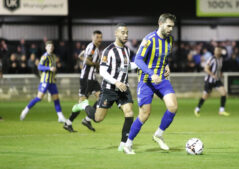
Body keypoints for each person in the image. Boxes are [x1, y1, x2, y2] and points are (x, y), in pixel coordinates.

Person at [72, 23, 137, 152]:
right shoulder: (109, 50)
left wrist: (140, 65)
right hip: (109, 89)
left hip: (123, 88)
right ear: (116, 34)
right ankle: (84, 105)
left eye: (127, 33)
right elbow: (102, 71)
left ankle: (124, 144)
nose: (125, 35)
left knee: (129, 112)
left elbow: (127, 66)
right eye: (123, 33)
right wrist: (116, 82)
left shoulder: (127, 50)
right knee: (98, 118)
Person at [123, 13, 178, 154]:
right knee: (144, 114)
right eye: (168, 26)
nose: (171, 29)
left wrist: (166, 67)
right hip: (146, 81)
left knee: (173, 107)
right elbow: (138, 60)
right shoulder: (149, 40)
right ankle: (128, 144)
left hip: (161, 80)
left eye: (172, 26)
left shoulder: (170, 40)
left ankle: (159, 134)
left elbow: (164, 58)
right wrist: (151, 74)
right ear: (160, 23)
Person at [63, 30, 103, 132]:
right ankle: (68, 123)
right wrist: (96, 65)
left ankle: (87, 119)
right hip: (86, 79)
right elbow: (86, 60)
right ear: (92, 37)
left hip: (92, 78)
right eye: (97, 37)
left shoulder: (93, 48)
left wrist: (94, 65)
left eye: (100, 37)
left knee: (101, 97)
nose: (99, 39)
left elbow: (81, 56)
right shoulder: (92, 47)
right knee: (82, 102)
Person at [20, 41, 66, 122]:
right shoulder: (44, 57)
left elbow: (53, 68)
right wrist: (49, 68)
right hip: (45, 81)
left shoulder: (54, 56)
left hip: (52, 81)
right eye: (49, 46)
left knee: (56, 99)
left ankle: (60, 116)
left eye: (52, 46)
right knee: (39, 98)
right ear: (46, 48)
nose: (50, 48)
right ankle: (25, 111)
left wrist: (54, 75)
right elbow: (39, 67)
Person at [194, 47, 230, 117]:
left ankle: (221, 110)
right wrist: (212, 75)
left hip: (217, 80)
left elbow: (219, 69)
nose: (216, 51)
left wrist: (220, 74)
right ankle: (197, 109)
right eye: (215, 50)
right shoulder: (212, 58)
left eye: (218, 50)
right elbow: (206, 69)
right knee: (205, 96)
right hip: (209, 80)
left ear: (220, 51)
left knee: (224, 93)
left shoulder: (221, 59)